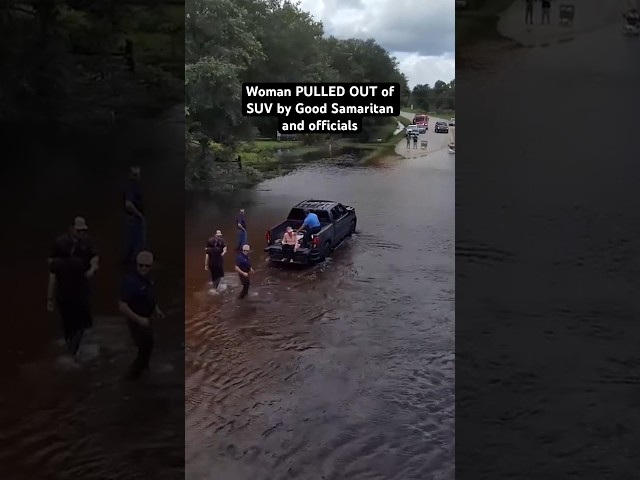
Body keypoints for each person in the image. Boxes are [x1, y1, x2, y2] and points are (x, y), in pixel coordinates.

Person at [118, 250, 164, 380]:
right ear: (136, 265)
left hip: (147, 318)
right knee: (145, 346)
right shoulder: (130, 282)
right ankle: (131, 376)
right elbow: (122, 306)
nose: (143, 268)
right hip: (136, 319)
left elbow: (150, 295)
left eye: (147, 266)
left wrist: (156, 309)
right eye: (141, 265)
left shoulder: (149, 278)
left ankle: (144, 369)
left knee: (148, 345)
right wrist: (139, 319)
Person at [123, 165, 146, 265]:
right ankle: (136, 264)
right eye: (135, 174)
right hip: (134, 218)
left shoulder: (134, 185)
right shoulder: (131, 186)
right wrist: (139, 215)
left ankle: (128, 264)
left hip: (132, 218)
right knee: (137, 243)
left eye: (138, 174)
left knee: (131, 244)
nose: (137, 176)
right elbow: (128, 204)